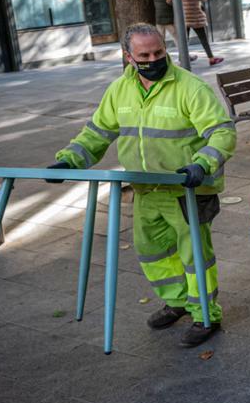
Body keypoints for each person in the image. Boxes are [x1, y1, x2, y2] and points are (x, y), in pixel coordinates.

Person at [48, 23, 235, 347]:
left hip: (186, 190)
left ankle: (205, 314)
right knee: (153, 252)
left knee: (195, 258)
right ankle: (177, 300)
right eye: (144, 55)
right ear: (128, 57)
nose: (153, 59)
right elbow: (96, 133)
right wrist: (69, 160)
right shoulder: (120, 90)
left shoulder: (190, 88)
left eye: (159, 53)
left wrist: (202, 164)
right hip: (146, 190)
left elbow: (222, 132)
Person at [171, 0, 223, 66]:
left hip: (182, 18)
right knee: (203, 38)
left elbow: (168, 0)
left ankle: (183, 59)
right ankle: (211, 58)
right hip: (195, 17)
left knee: (184, 39)